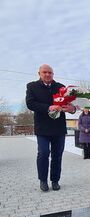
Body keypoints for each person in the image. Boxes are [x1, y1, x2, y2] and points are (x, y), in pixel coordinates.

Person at [26, 64, 76, 192]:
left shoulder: (60, 87)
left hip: (58, 128)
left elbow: (71, 104)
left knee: (57, 155)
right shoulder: (32, 86)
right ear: (39, 74)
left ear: (53, 74)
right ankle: (43, 180)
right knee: (43, 153)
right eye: (45, 72)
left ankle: (55, 180)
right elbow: (30, 103)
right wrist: (48, 107)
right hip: (42, 128)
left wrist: (72, 109)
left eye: (50, 72)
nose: (47, 74)